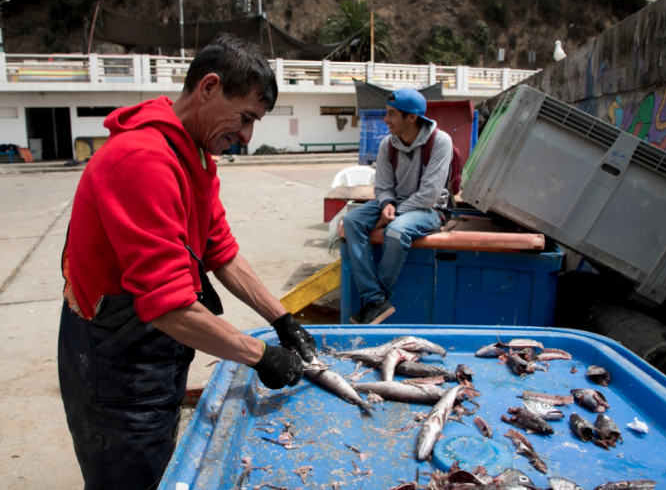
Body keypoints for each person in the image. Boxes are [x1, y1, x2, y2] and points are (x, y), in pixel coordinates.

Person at [58, 35, 317, 490]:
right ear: (209, 88)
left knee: (159, 465)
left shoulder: (194, 155)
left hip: (157, 349)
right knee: (129, 475)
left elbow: (220, 249)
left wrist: (281, 319)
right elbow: (168, 305)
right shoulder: (142, 160)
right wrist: (261, 356)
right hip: (115, 363)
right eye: (246, 118)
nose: (246, 136)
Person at [343, 88, 457, 325]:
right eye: (387, 113)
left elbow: (429, 194)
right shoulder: (388, 144)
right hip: (396, 204)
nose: (386, 120)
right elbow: (383, 186)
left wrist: (391, 216)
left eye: (392, 114)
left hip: (430, 209)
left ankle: (377, 299)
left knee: (395, 232)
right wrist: (386, 203)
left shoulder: (440, 141)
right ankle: (375, 300)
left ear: (412, 117)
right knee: (352, 221)